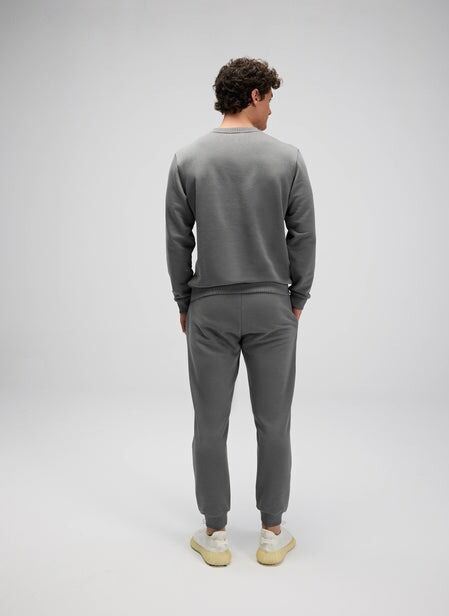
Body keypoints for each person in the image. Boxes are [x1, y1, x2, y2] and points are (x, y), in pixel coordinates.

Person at [165, 57, 316, 566]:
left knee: (210, 423)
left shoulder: (188, 159)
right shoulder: (288, 158)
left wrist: (184, 299)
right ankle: (272, 533)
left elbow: (177, 239)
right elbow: (303, 235)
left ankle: (215, 534)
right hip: (273, 306)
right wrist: (297, 297)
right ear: (254, 95)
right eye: (270, 99)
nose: (272, 110)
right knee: (274, 423)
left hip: (210, 306)